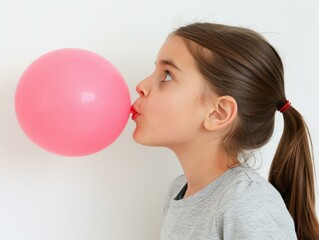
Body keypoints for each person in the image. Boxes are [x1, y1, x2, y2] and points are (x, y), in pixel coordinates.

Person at [131, 22, 319, 240]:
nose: (141, 85)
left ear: (218, 113)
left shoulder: (247, 199)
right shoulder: (178, 192)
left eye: (167, 75)